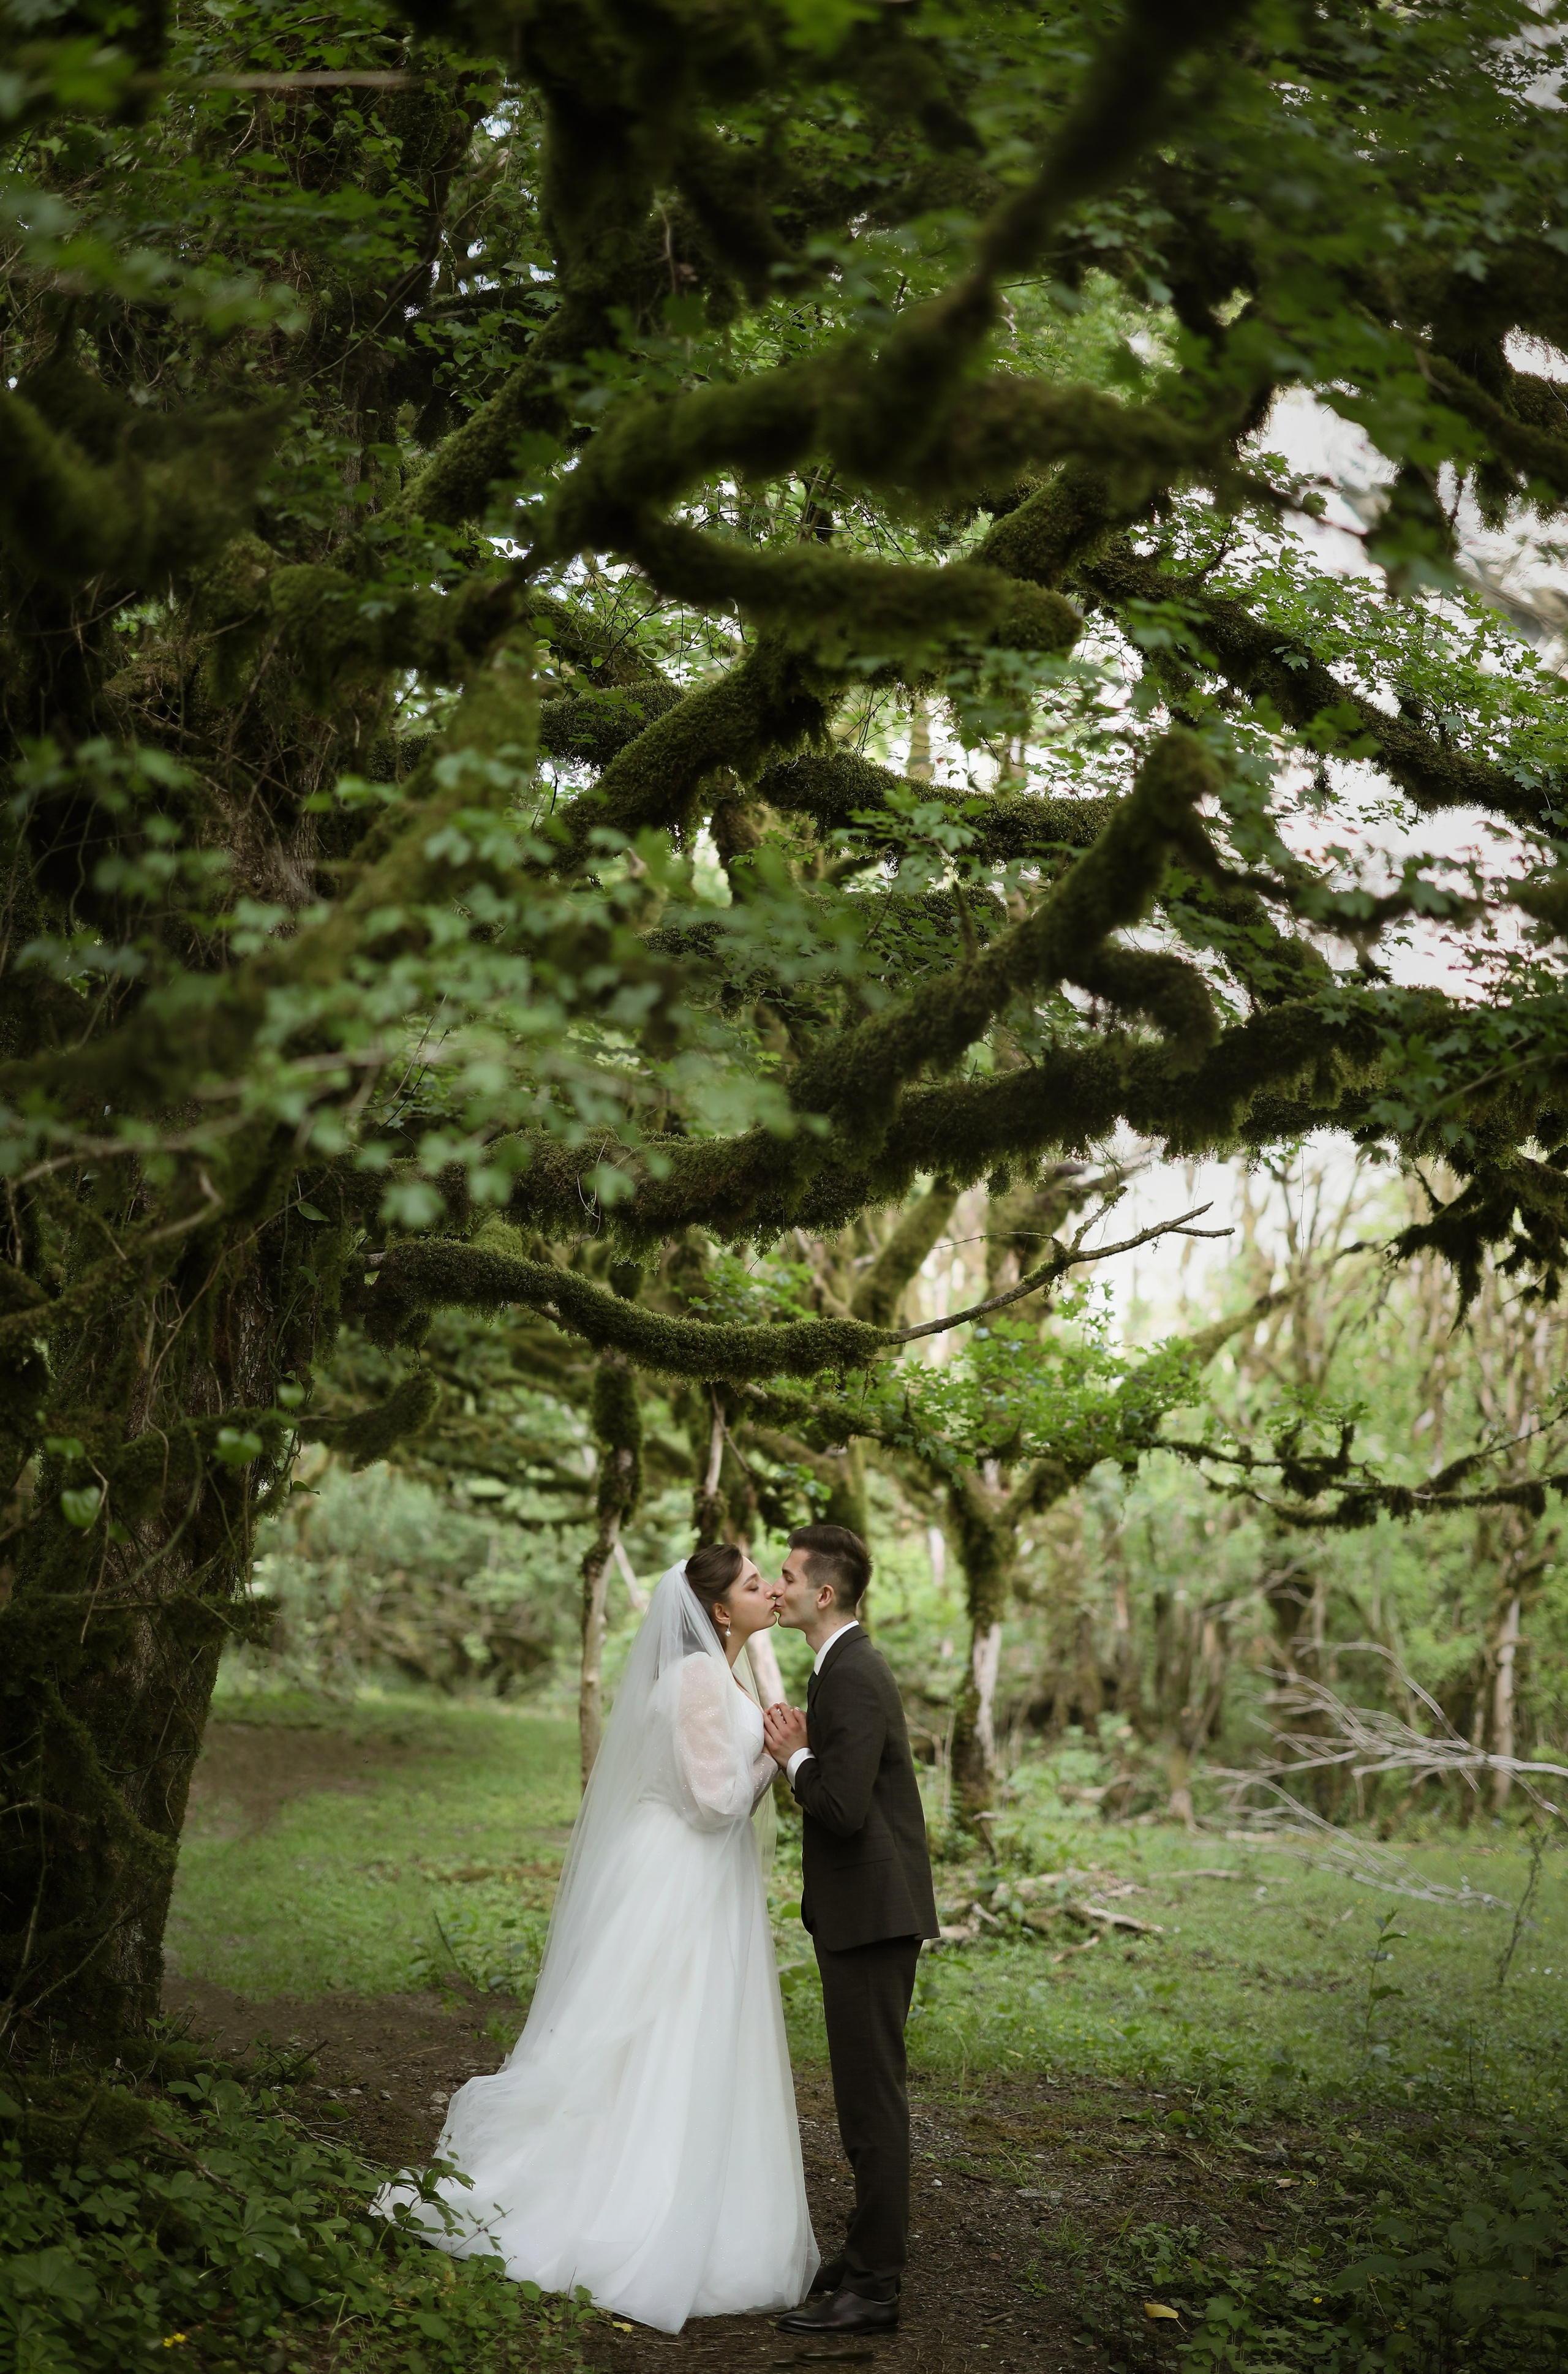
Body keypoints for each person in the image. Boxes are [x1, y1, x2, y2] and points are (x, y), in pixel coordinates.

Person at [375, 1545, 818, 2333]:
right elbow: (713, 1803)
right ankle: (616, 2200)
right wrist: (777, 1758)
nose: (770, 1593)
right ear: (719, 1611)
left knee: (697, 2033)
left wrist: (771, 1746)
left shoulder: (725, 1675)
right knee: (648, 2030)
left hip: (707, 1877)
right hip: (675, 1875)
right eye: (755, 1585)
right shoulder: (691, 1680)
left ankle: (709, 2203)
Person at [763, 1523, 940, 2336]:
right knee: (862, 2101)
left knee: (873, 2106)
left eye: (790, 1575)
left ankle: (874, 2287)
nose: (779, 1585)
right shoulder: (837, 1668)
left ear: (823, 1593)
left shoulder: (857, 1673)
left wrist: (795, 1758)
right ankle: (864, 2255)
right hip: (859, 1915)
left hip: (873, 1919)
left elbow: (841, 1808)